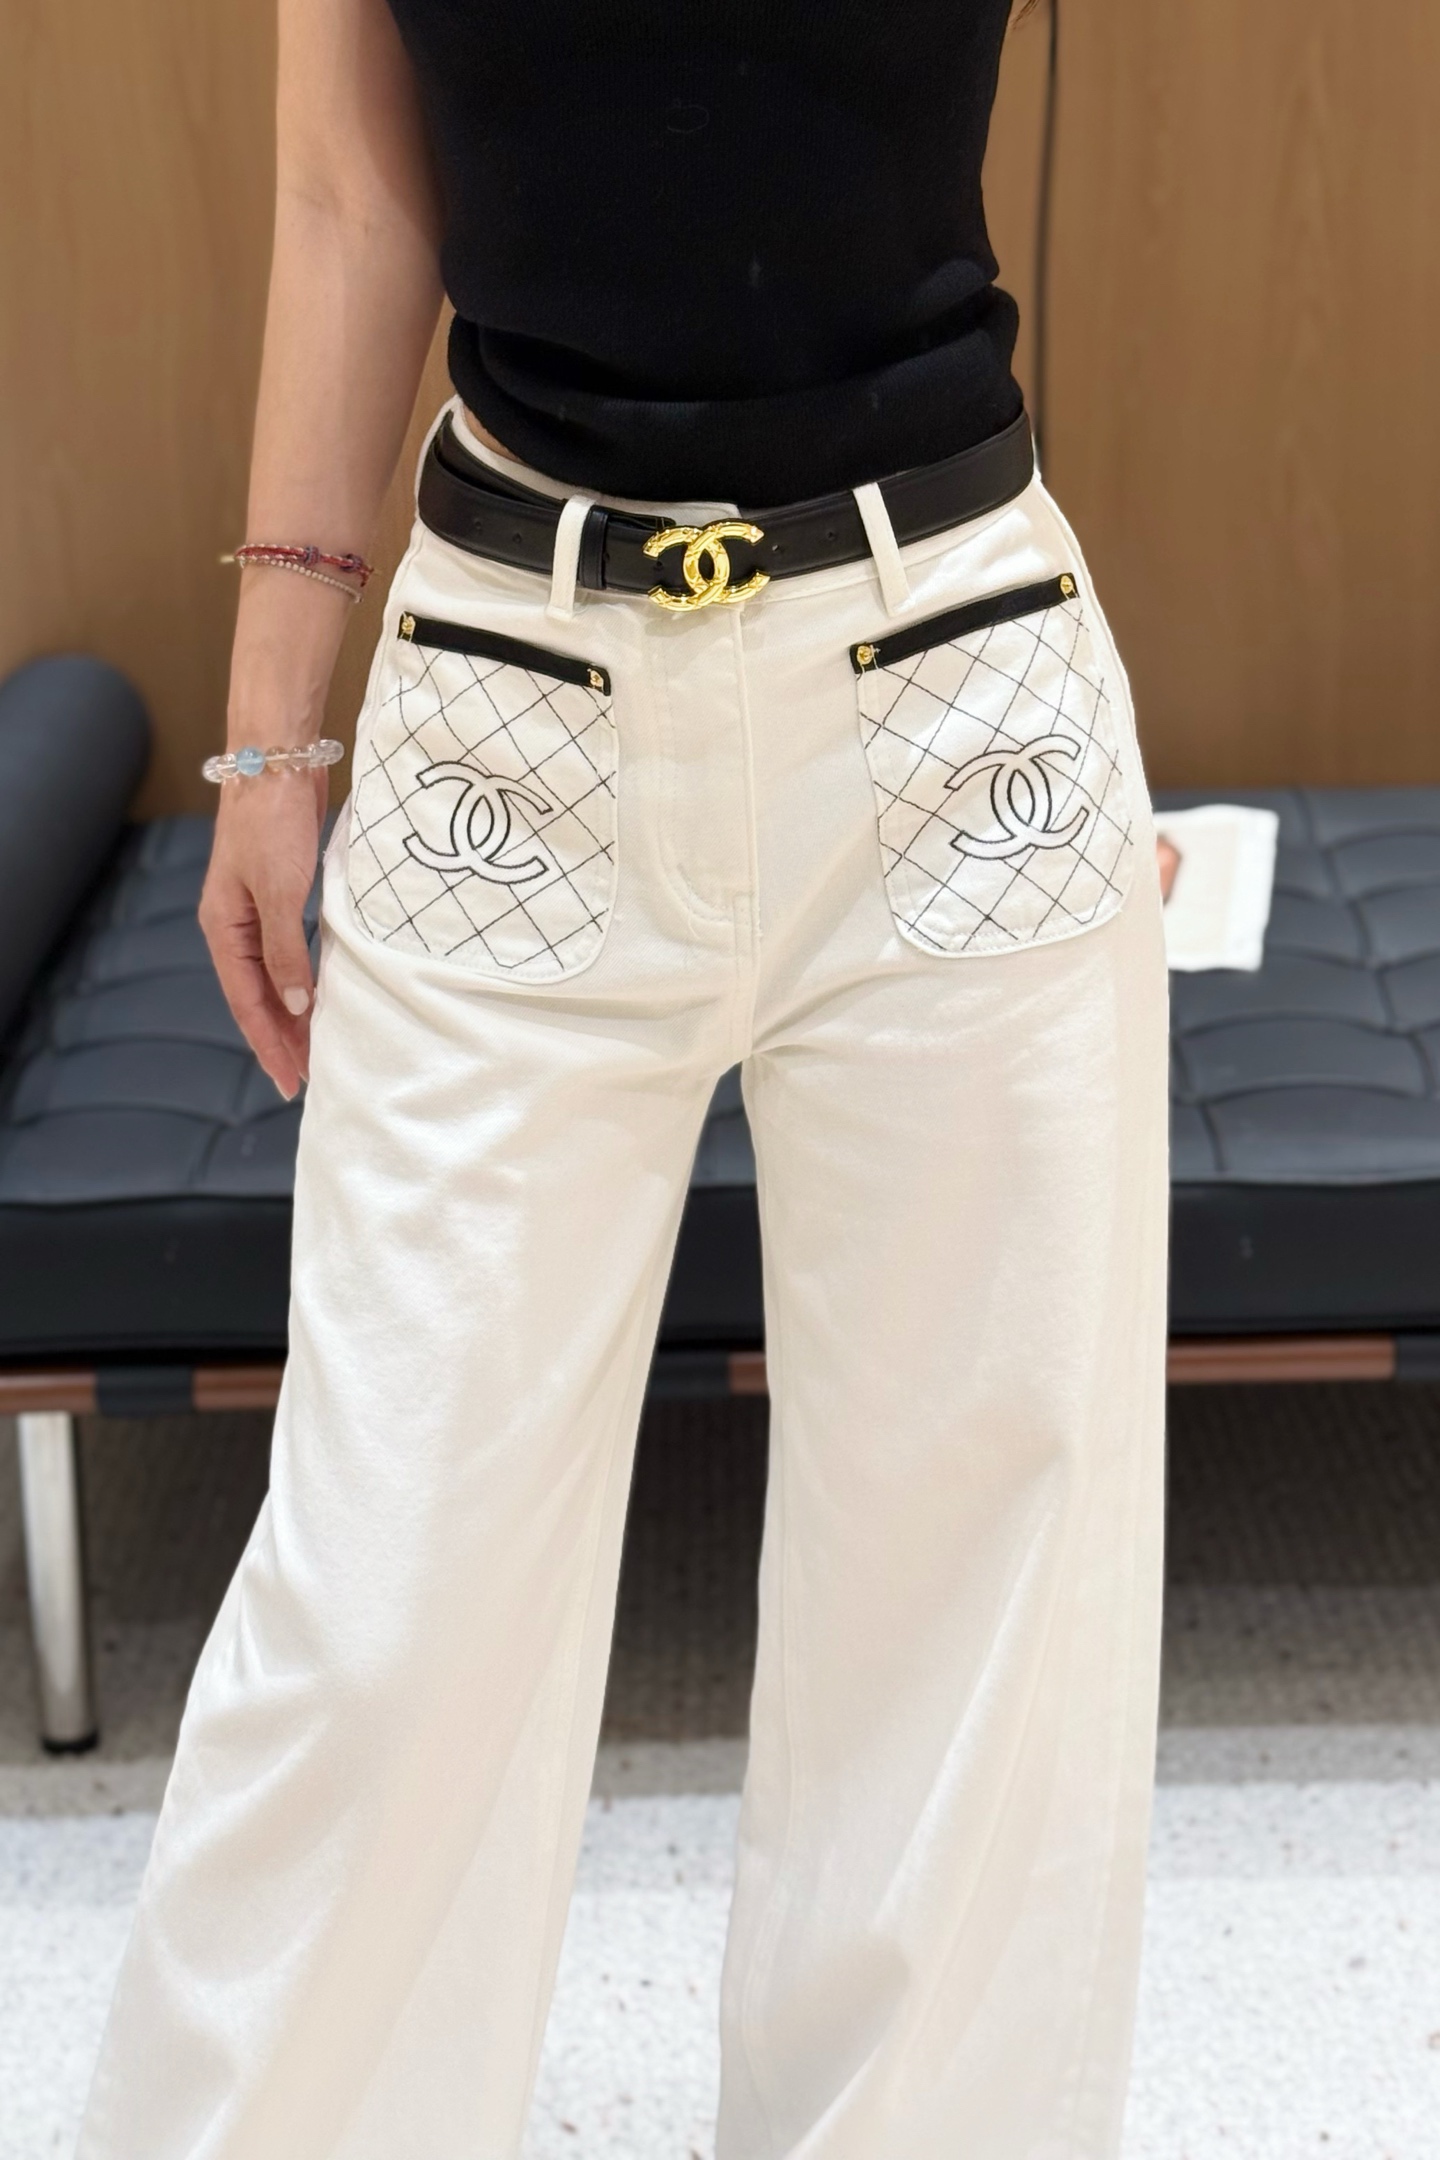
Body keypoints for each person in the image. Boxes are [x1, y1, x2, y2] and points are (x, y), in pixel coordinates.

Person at [76, 1, 1171, 2155]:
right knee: (379, 1607)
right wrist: (274, 736)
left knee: (973, 1613)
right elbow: (350, 193)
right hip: (514, 690)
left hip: (959, 683)